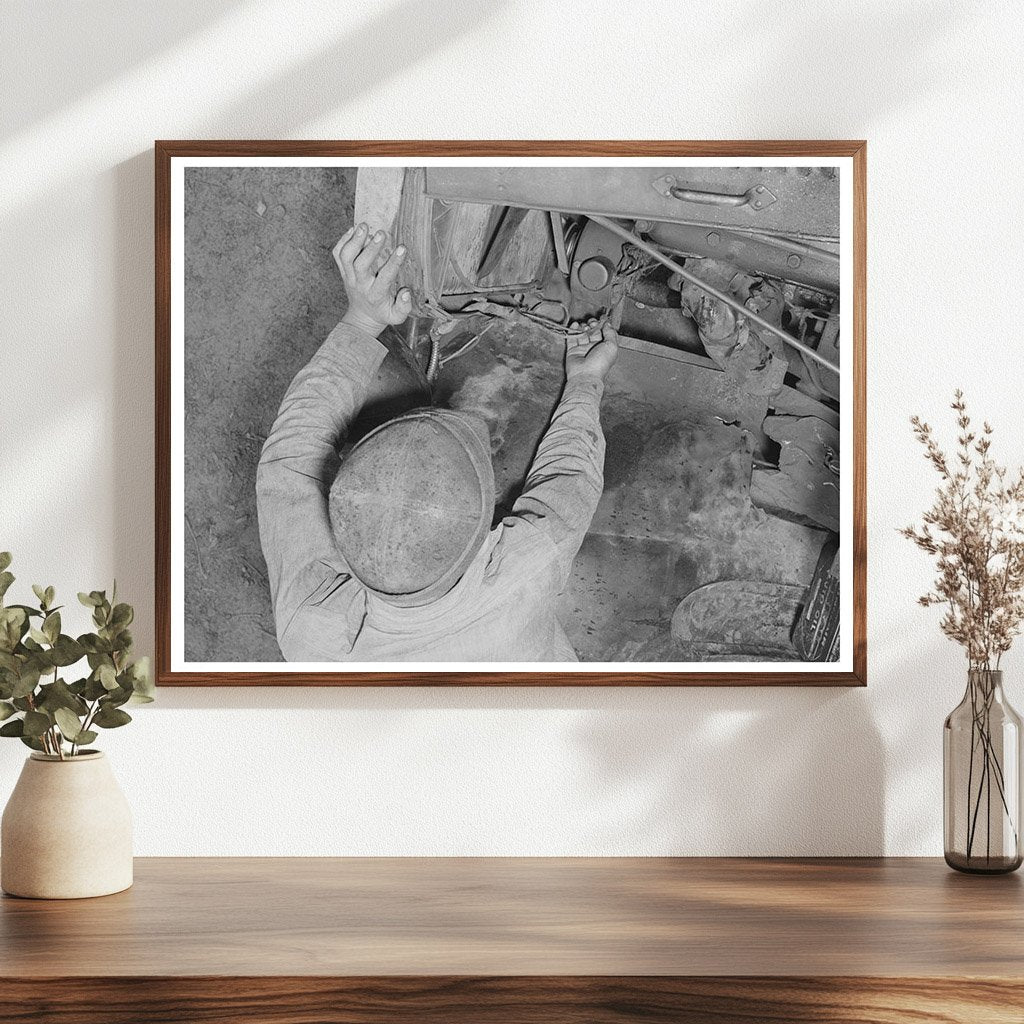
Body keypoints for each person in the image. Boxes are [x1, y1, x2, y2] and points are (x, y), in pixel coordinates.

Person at [256, 221, 618, 662]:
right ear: (488, 527)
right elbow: (569, 479)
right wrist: (583, 381)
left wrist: (362, 321)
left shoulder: (311, 632)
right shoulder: (526, 573)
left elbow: (290, 459)